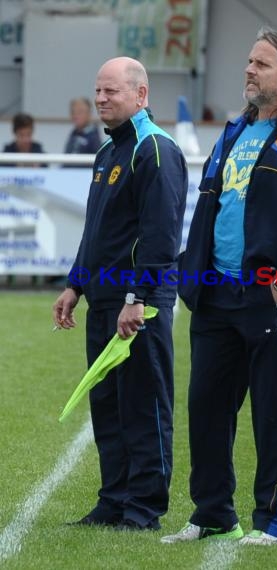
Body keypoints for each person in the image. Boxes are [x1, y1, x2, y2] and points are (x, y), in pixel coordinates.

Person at [162, 27, 277, 546]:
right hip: (216, 295)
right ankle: (212, 512)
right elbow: (210, 209)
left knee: (275, 411)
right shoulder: (232, 131)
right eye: (248, 61)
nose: (248, 69)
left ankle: (273, 520)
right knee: (206, 408)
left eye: (261, 64)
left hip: (271, 295)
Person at [52, 56, 188, 531]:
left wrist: (138, 297)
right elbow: (97, 230)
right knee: (107, 405)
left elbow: (160, 235)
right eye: (99, 91)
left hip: (139, 303)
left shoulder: (155, 150)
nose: (101, 99)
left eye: (111, 91)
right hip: (104, 300)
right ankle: (113, 501)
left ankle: (144, 508)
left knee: (144, 403)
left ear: (141, 94)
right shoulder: (108, 151)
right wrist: (75, 283)